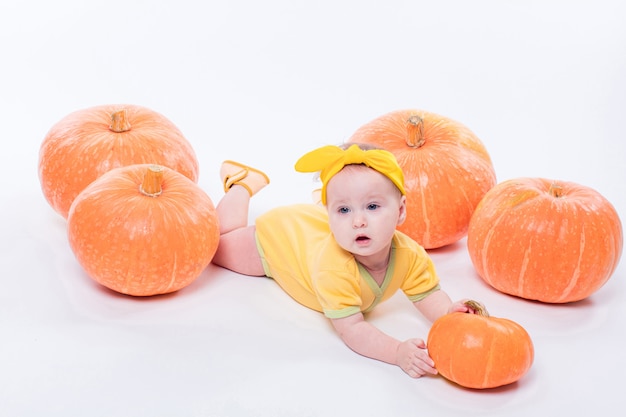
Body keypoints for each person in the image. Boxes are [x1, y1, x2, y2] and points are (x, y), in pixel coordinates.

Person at [212, 143, 483, 378]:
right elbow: (352, 329)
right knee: (217, 246)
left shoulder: (410, 254)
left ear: (400, 211)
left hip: (309, 234)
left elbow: (426, 294)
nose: (358, 221)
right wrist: (397, 352)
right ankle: (242, 184)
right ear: (329, 215)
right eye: (343, 209)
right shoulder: (335, 269)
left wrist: (448, 315)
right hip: (280, 241)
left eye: (373, 206)